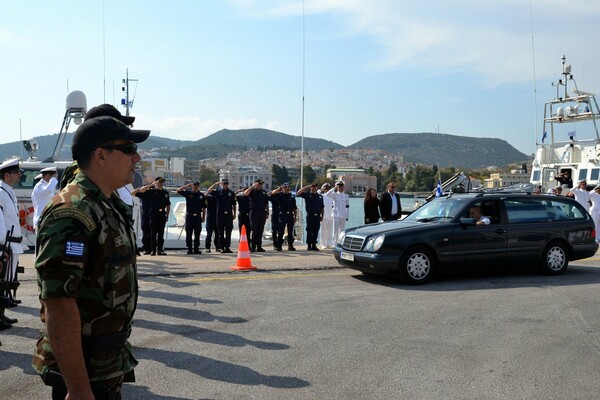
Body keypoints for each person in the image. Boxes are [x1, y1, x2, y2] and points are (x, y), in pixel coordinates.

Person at [33, 115, 149, 399]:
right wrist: (78, 388)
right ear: (101, 155)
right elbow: (59, 305)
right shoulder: (73, 212)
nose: (136, 157)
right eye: (128, 149)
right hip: (85, 371)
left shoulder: (104, 203)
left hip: (106, 364)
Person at [0, 158, 26, 308]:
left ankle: (3, 311)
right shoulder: (1, 193)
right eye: (16, 173)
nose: (19, 175)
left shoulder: (8, 192)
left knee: (7, 278)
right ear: (6, 175)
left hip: (12, 242)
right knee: (2, 279)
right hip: (6, 242)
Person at [131, 177, 170, 255]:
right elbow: (140, 191)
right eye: (159, 182)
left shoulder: (165, 192)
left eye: (162, 182)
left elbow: (168, 204)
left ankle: (160, 250)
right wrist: (151, 185)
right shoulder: (151, 191)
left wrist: (167, 215)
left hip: (162, 214)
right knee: (153, 232)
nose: (161, 184)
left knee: (161, 232)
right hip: (153, 213)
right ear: (156, 183)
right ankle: (153, 250)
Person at [207, 178, 236, 253]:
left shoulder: (231, 193)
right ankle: (221, 247)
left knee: (228, 232)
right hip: (220, 214)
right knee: (220, 232)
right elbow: (209, 191)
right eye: (224, 183)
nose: (226, 185)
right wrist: (215, 184)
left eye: (227, 183)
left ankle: (227, 247)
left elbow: (234, 204)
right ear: (222, 184)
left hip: (229, 214)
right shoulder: (218, 192)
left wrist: (234, 214)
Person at [176, 182, 206, 254]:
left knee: (197, 233)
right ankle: (189, 248)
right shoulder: (188, 193)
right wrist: (186, 186)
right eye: (194, 185)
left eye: (197, 185)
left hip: (198, 216)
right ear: (192, 186)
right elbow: (178, 190)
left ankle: (196, 249)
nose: (196, 187)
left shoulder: (201, 195)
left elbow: (204, 207)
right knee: (189, 233)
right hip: (190, 216)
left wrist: (203, 216)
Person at [269, 182, 297, 251]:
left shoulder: (292, 197)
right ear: (283, 188)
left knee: (290, 231)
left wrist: (295, 217)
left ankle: (290, 245)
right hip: (282, 215)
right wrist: (279, 188)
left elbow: (294, 208)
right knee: (281, 231)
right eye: (285, 187)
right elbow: (272, 193)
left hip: (290, 215)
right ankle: (279, 246)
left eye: (288, 187)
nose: (287, 189)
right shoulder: (280, 195)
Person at [297, 183, 324, 251]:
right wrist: (306, 187)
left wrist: (322, 216)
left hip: (317, 216)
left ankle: (314, 244)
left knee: (315, 231)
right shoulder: (307, 194)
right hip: (310, 216)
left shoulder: (320, 196)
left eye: (315, 187)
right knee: (309, 230)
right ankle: (309, 245)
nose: (314, 188)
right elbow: (298, 193)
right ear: (310, 188)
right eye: (313, 187)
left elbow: (322, 207)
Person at [244, 179, 269, 252]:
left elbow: (266, 203)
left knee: (260, 230)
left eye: (261, 184)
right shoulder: (252, 191)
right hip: (254, 212)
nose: (260, 185)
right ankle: (253, 246)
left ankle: (259, 246)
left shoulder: (263, 192)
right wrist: (252, 187)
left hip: (262, 212)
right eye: (259, 184)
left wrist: (267, 212)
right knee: (254, 230)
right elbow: (245, 194)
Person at [31, 166, 58, 231]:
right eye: (54, 176)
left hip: (46, 219)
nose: (56, 178)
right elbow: (48, 190)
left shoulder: (45, 186)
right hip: (41, 219)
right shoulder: (40, 186)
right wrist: (53, 179)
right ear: (48, 176)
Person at [325, 180, 350, 245]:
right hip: (336, 215)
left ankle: (341, 243)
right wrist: (334, 188)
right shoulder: (335, 195)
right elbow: (327, 194)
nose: (341, 188)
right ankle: (334, 243)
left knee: (342, 231)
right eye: (339, 186)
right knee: (335, 230)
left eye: (342, 186)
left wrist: (347, 215)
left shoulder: (346, 196)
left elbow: (347, 206)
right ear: (337, 187)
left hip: (343, 215)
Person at [319, 183, 334, 249]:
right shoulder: (321, 195)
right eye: (325, 188)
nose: (327, 190)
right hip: (324, 215)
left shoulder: (332, 196)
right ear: (323, 189)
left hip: (331, 215)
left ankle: (329, 243)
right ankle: (323, 244)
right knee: (323, 230)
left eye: (328, 188)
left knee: (330, 230)